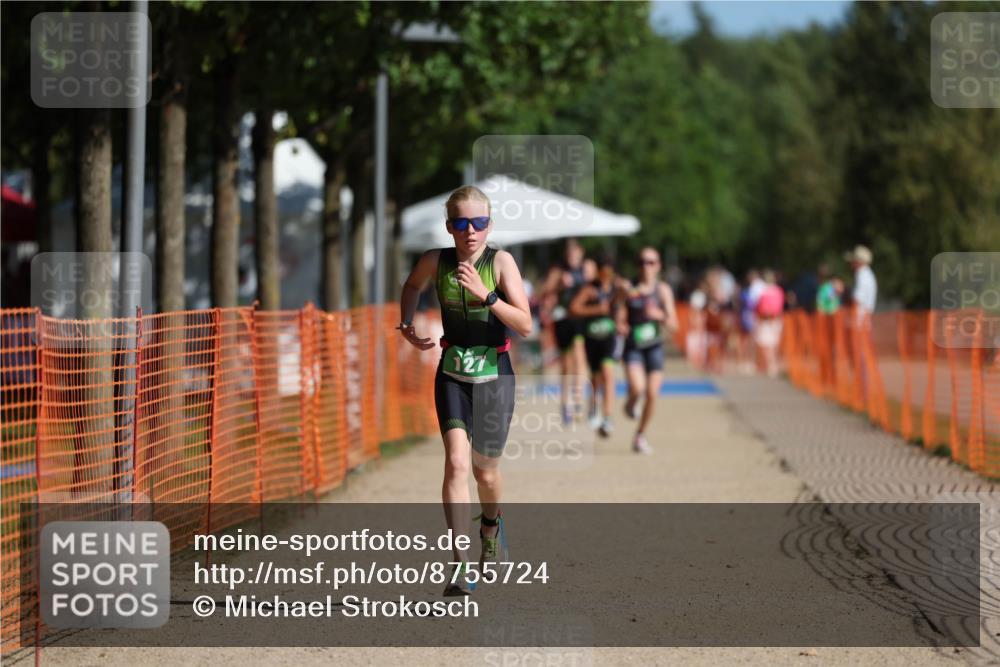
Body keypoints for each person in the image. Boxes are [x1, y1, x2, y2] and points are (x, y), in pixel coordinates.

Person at [398, 185, 532, 596]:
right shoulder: (434, 261)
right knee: (456, 464)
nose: (470, 231)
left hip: (495, 377)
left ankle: (491, 527)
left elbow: (525, 324)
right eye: (461, 223)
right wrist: (407, 325)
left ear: (489, 225)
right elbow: (411, 287)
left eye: (479, 223)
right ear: (449, 227)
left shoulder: (501, 262)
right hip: (453, 373)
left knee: (484, 471)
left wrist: (486, 295)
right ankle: (459, 566)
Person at [619, 247, 679, 455]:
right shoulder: (629, 288)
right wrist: (621, 324)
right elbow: (618, 314)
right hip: (633, 347)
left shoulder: (662, 290)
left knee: (652, 394)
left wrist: (659, 315)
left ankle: (640, 435)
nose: (647, 266)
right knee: (637, 388)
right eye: (643, 261)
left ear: (658, 265)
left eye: (651, 262)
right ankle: (631, 403)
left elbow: (674, 324)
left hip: (653, 346)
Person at [569, 254, 622, 437]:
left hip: (609, 338)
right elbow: (574, 308)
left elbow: (623, 307)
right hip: (592, 339)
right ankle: (593, 406)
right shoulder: (589, 289)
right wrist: (596, 309)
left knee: (608, 373)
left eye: (609, 273)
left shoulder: (616, 288)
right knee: (595, 377)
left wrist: (622, 322)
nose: (606, 277)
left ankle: (607, 417)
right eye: (603, 273)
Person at [541, 239, 593, 425]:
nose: (572, 256)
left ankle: (578, 400)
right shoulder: (558, 270)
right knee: (566, 365)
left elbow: (595, 286)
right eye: (568, 253)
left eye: (575, 253)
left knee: (580, 358)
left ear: (581, 252)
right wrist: (560, 285)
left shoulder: (587, 267)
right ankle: (565, 404)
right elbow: (545, 291)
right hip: (562, 319)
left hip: (579, 318)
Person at [754, 269, 785, 378]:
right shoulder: (778, 291)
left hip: (766, 320)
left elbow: (759, 307)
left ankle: (770, 365)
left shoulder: (763, 291)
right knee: (773, 344)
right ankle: (773, 365)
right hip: (775, 320)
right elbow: (780, 307)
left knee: (766, 344)